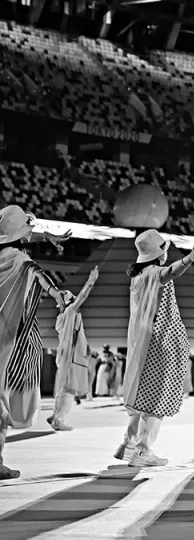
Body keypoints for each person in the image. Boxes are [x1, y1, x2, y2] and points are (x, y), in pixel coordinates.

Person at [119, 230, 194, 467]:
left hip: (144, 342)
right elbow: (169, 273)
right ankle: (143, 451)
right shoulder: (154, 273)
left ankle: (129, 445)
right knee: (158, 399)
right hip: (159, 343)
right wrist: (186, 260)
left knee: (142, 397)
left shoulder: (139, 275)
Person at [0, 205, 65, 480]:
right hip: (5, 336)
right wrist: (57, 294)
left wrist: (44, 236)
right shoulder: (18, 259)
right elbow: (38, 273)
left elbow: (17, 239)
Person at [49, 266, 101, 431]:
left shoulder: (63, 316)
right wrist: (91, 282)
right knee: (68, 389)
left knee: (63, 387)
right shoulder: (70, 312)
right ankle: (59, 420)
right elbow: (82, 297)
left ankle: (55, 415)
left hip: (66, 356)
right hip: (70, 357)